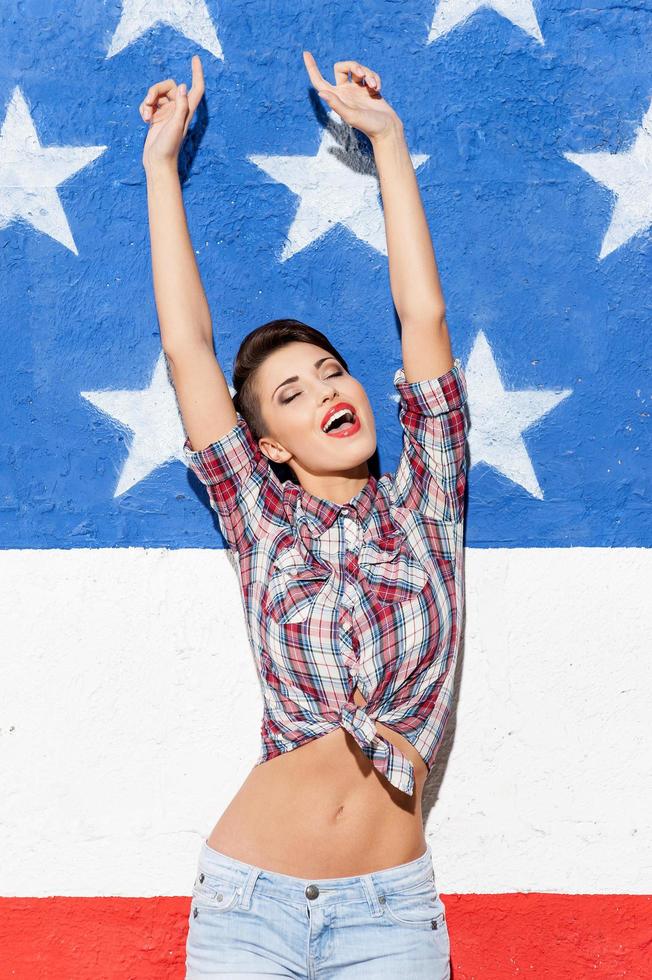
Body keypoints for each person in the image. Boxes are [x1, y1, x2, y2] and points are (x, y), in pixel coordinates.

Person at [141, 49, 468, 979]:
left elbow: (425, 317)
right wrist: (162, 167)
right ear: (269, 444)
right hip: (249, 904)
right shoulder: (261, 522)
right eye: (290, 392)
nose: (327, 389)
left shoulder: (427, 501)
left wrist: (388, 144)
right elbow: (187, 348)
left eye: (331, 371)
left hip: (390, 914)